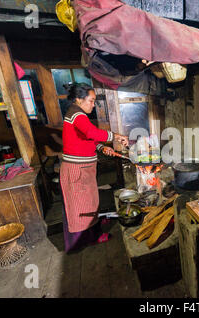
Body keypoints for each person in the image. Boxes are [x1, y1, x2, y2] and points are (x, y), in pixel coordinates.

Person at [60, 83, 128, 253]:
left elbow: (86, 138)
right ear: (78, 99)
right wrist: (115, 136)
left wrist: (101, 148)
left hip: (84, 169)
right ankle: (89, 238)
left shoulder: (78, 114)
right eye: (90, 101)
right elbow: (91, 132)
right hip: (76, 170)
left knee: (90, 201)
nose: (93, 104)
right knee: (81, 206)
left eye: (94, 101)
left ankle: (94, 224)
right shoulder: (76, 114)